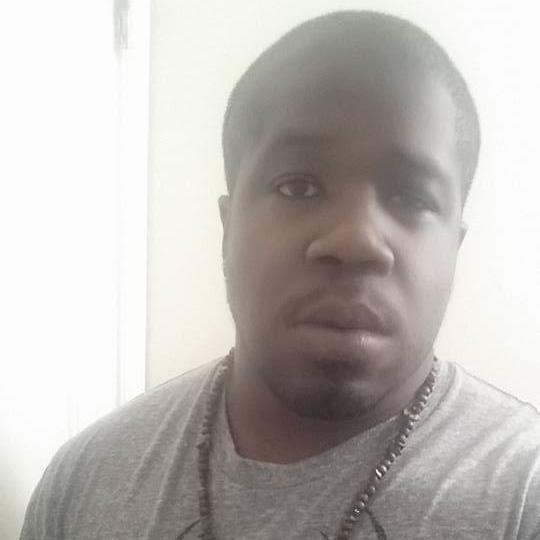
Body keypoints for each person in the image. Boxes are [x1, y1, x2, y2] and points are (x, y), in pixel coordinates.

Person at [21, 10, 539, 540]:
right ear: (228, 227)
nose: (355, 241)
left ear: (454, 247)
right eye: (299, 187)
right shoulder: (82, 483)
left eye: (410, 197)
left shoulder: (524, 495)